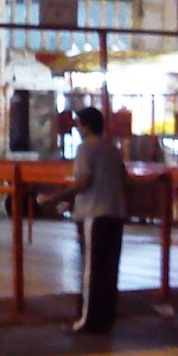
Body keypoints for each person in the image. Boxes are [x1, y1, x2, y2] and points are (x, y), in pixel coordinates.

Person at [38, 107, 128, 334]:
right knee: (109, 269)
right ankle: (106, 318)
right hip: (116, 214)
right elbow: (123, 178)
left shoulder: (85, 149)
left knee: (91, 270)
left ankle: (88, 319)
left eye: (78, 124)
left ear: (86, 126)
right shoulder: (113, 149)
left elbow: (84, 182)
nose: (77, 128)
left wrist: (56, 197)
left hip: (93, 215)